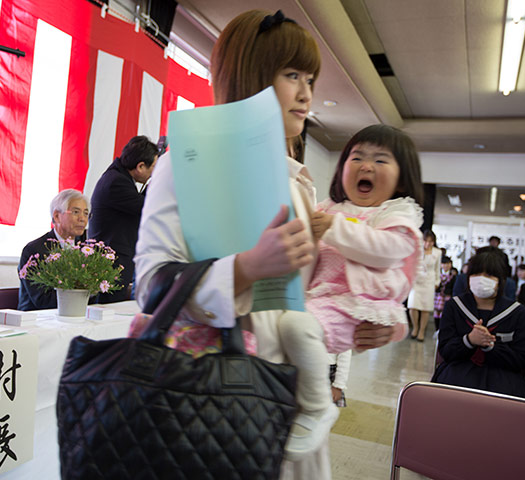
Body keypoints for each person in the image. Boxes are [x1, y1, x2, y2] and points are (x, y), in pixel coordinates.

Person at [134, 10, 394, 477]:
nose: (306, 93)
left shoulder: (297, 182)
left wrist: (355, 324)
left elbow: (294, 302)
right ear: (250, 75)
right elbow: (151, 285)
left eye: (310, 78)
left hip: (289, 399)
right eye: (291, 74)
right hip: (217, 394)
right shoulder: (186, 163)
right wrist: (246, 267)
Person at [306, 124, 424, 353]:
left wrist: (335, 228)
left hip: (352, 307)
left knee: (299, 332)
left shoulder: (395, 213)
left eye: (380, 161)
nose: (366, 166)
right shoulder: (328, 208)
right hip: (316, 299)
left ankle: (314, 389)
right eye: (357, 157)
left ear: (401, 180)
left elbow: (388, 250)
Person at [432, 247, 525, 398]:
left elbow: (522, 359)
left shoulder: (518, 313)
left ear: (501, 280)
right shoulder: (455, 306)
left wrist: (490, 346)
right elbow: (446, 350)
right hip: (458, 372)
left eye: (489, 275)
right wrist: (469, 340)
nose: (481, 278)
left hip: (502, 377)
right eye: (476, 273)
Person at [89, 135, 158, 302]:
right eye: (154, 168)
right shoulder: (116, 182)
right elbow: (146, 207)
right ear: (140, 166)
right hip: (110, 263)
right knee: (109, 311)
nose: (154, 173)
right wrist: (159, 183)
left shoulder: (118, 177)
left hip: (116, 258)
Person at [17, 189, 90, 311]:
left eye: (86, 213)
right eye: (76, 212)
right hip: (38, 319)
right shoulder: (35, 250)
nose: (82, 219)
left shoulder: (87, 248)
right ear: (57, 216)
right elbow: (42, 300)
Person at [407, 230, 442, 341]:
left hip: (429, 281)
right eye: (426, 241)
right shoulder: (416, 250)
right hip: (416, 281)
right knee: (413, 306)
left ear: (433, 242)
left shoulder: (438, 252)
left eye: (430, 241)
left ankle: (422, 331)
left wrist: (437, 282)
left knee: (425, 308)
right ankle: (415, 328)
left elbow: (437, 269)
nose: (427, 243)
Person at [434, 256, 455, 330]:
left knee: (445, 312)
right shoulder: (437, 274)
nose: (446, 265)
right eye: (444, 263)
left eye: (448, 263)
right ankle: (437, 328)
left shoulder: (453, 275)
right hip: (438, 295)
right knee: (436, 312)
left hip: (447, 296)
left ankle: (442, 328)